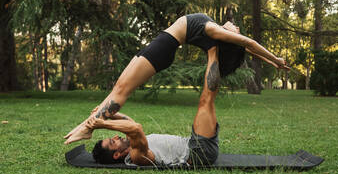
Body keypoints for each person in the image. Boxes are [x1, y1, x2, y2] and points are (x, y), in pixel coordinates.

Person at [64, 13, 289, 144]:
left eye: (236, 31)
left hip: (163, 48)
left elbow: (248, 43)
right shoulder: (216, 31)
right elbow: (248, 48)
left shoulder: (214, 30)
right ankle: (87, 125)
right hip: (162, 47)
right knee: (119, 87)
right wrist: (271, 60)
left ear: (231, 37)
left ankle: (88, 128)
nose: (236, 26)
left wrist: (276, 58)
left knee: (122, 89)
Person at [87, 47, 221, 166]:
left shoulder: (132, 143)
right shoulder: (136, 156)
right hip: (199, 152)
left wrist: (109, 115)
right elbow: (135, 128)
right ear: (117, 154)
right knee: (206, 100)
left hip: (192, 143)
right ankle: (213, 47)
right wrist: (102, 124)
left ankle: (214, 47)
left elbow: (129, 123)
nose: (116, 137)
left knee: (206, 100)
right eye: (112, 142)